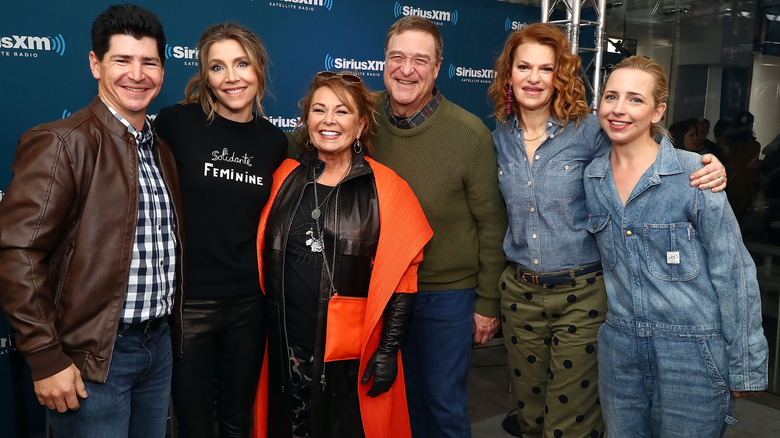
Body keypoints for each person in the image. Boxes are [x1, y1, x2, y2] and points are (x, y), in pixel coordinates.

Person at [487, 23, 727, 438]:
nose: (533, 78)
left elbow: (642, 150)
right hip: (519, 296)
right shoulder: (496, 138)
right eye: (523, 66)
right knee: (529, 418)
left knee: (568, 423)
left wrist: (703, 163)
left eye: (546, 69)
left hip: (582, 295)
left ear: (560, 75)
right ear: (508, 74)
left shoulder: (589, 130)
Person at [0, 5, 182, 437]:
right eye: (122, 60)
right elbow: (17, 252)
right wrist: (45, 357)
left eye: (149, 62)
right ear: (95, 64)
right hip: (92, 357)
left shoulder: (160, 150)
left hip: (157, 348)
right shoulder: (62, 143)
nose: (137, 74)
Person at [584, 55, 768, 437]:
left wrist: (746, 362)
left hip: (692, 353)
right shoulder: (593, 176)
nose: (619, 109)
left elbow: (733, 272)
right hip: (620, 352)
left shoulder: (694, 174)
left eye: (636, 99)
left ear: (658, 110)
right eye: (611, 96)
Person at [252, 71, 432, 438]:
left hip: (349, 355)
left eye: (342, 111)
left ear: (361, 124)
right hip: (283, 343)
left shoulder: (387, 189)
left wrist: (387, 350)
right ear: (307, 120)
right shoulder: (283, 176)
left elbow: (403, 278)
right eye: (319, 110)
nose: (329, 120)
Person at [370, 16, 508, 437]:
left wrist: (487, 303)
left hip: (444, 295)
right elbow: (308, 139)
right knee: (389, 404)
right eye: (397, 57)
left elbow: (491, 226)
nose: (406, 69)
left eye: (419, 60)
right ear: (384, 61)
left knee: (441, 405)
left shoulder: (469, 134)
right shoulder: (361, 116)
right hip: (378, 290)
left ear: (437, 67)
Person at [154, 23, 287, 438]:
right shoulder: (176, 123)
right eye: (218, 67)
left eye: (241, 63)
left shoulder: (275, 141)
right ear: (205, 77)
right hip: (190, 303)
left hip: (250, 302)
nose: (232, 77)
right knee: (193, 423)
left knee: (236, 419)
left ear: (259, 69)